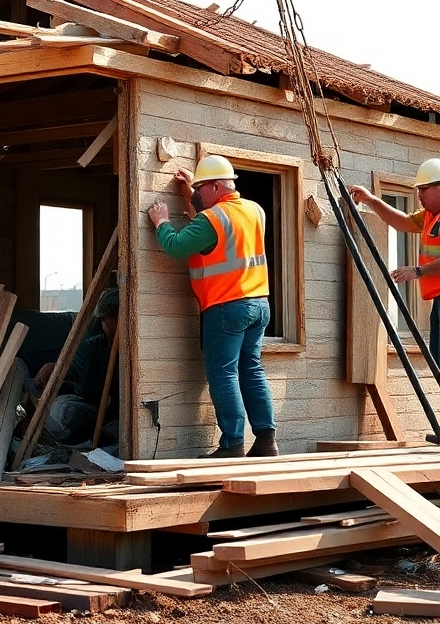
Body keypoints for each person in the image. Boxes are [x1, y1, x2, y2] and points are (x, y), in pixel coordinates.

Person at [349, 158, 440, 446]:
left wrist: (417, 271)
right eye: (418, 190)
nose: (419, 195)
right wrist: (372, 201)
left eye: (424, 189)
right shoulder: (433, 214)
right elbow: (402, 222)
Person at [147, 156, 278, 459]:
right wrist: (191, 192)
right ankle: (266, 440)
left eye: (202, 188)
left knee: (223, 373)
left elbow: (177, 245)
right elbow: (221, 228)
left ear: (216, 187)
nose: (199, 193)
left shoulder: (212, 219)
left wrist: (161, 222)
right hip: (259, 303)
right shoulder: (254, 210)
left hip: (226, 306)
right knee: (251, 369)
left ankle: (232, 443)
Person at [39, 287, 120, 447]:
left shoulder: (134, 349)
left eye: (111, 317)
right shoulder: (94, 346)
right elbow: (83, 388)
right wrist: (51, 368)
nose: (106, 323)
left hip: (116, 414)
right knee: (65, 414)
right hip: (92, 408)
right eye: (104, 319)